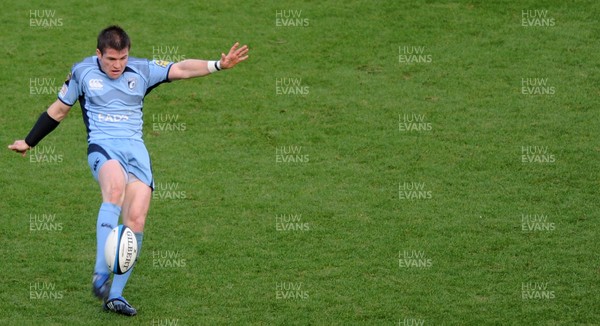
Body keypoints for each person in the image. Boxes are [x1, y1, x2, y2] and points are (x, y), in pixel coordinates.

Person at [8, 25, 249, 316]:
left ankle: (115, 296)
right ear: (99, 54)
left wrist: (218, 65)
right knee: (114, 189)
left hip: (137, 154)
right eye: (111, 59)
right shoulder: (82, 73)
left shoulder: (142, 70)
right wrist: (29, 141)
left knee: (136, 219)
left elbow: (181, 69)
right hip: (103, 147)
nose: (117, 65)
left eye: (122, 58)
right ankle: (100, 272)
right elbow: (58, 110)